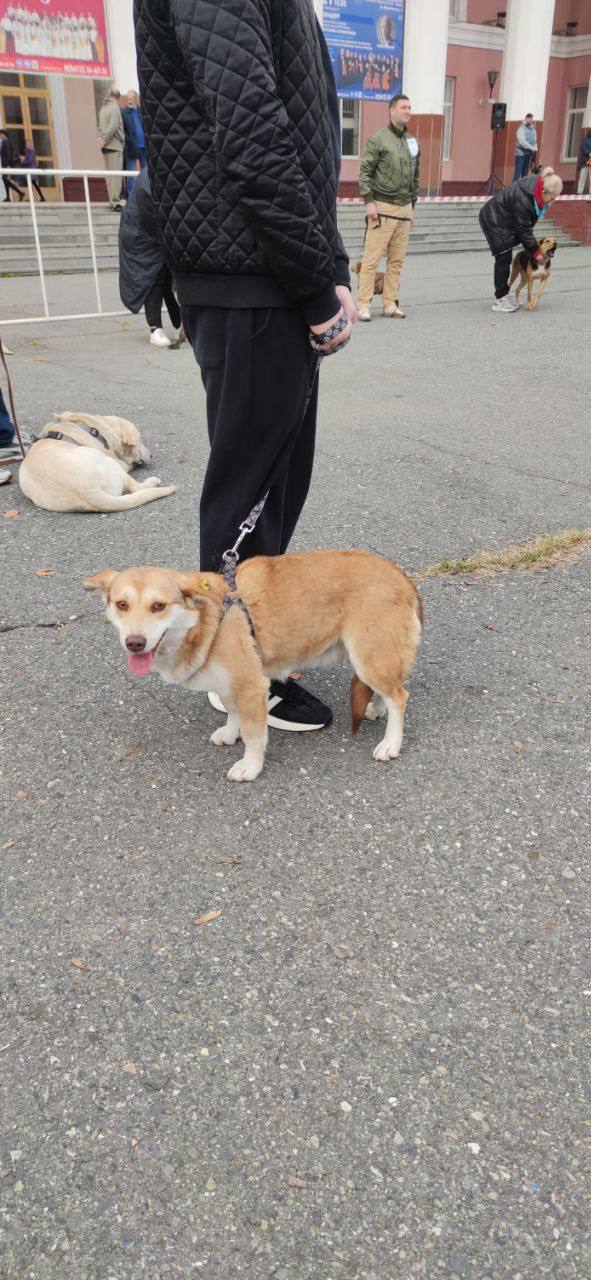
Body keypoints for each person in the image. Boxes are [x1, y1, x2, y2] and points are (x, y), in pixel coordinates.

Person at [135, 0, 354, 733]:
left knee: (273, 477)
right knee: (251, 487)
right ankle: (233, 662)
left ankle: (241, 647)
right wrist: (313, 284)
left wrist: (330, 267)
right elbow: (255, 134)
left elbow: (301, 133)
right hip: (247, 268)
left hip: (260, 265)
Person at [356, 94, 419, 320]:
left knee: (396, 261)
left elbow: (415, 177)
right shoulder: (378, 139)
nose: (408, 111)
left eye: (410, 107)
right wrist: (368, 201)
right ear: (391, 110)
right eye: (403, 107)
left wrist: (412, 208)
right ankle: (363, 304)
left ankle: (389, 303)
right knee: (371, 260)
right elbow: (365, 172)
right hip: (381, 207)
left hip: (404, 210)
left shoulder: (412, 142)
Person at [479, 165, 563, 313]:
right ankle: (500, 299)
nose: (552, 201)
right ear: (544, 192)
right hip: (493, 219)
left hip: (505, 220)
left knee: (506, 255)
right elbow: (524, 229)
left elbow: (525, 227)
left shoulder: (539, 187)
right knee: (503, 257)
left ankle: (504, 296)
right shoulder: (525, 198)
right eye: (551, 198)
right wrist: (536, 253)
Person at [119, 167, 182, 348]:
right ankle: (155, 328)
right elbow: (151, 217)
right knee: (155, 277)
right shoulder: (153, 176)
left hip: (158, 230)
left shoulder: (169, 168)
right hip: (141, 235)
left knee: (170, 275)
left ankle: (182, 325)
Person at [97, 88, 124, 211]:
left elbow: (100, 127)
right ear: (117, 97)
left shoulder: (103, 109)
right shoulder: (115, 108)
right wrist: (105, 139)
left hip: (105, 146)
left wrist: (100, 139)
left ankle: (111, 199)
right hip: (114, 145)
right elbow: (113, 126)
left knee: (109, 174)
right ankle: (115, 200)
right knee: (116, 174)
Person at [121, 90, 147, 198]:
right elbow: (123, 130)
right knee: (130, 173)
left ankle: (147, 194)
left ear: (136, 99)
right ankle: (131, 197)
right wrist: (129, 141)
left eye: (131, 99)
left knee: (146, 172)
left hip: (143, 147)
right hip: (131, 147)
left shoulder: (142, 112)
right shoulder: (124, 112)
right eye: (128, 99)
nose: (129, 101)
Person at [0, 129, 25, 203]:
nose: (0, 136)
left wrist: (7, 165)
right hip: (5, 164)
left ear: (3, 134)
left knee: (5, 179)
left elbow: (8, 153)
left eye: (0, 134)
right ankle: (9, 197)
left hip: (7, 165)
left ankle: (19, 193)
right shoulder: (3, 142)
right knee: (5, 180)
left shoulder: (6, 141)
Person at [513, 114, 537, 182]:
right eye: (529, 118)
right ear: (525, 119)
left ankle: (523, 190)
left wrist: (535, 151)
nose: (530, 120)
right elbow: (522, 141)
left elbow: (534, 141)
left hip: (528, 153)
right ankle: (513, 190)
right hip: (520, 153)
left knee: (525, 174)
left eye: (531, 118)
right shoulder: (521, 128)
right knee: (517, 173)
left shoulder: (533, 129)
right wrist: (531, 148)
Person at [577, 128, 591, 194]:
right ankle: (579, 192)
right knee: (582, 177)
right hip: (585, 162)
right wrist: (589, 153)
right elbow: (583, 148)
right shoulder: (585, 139)